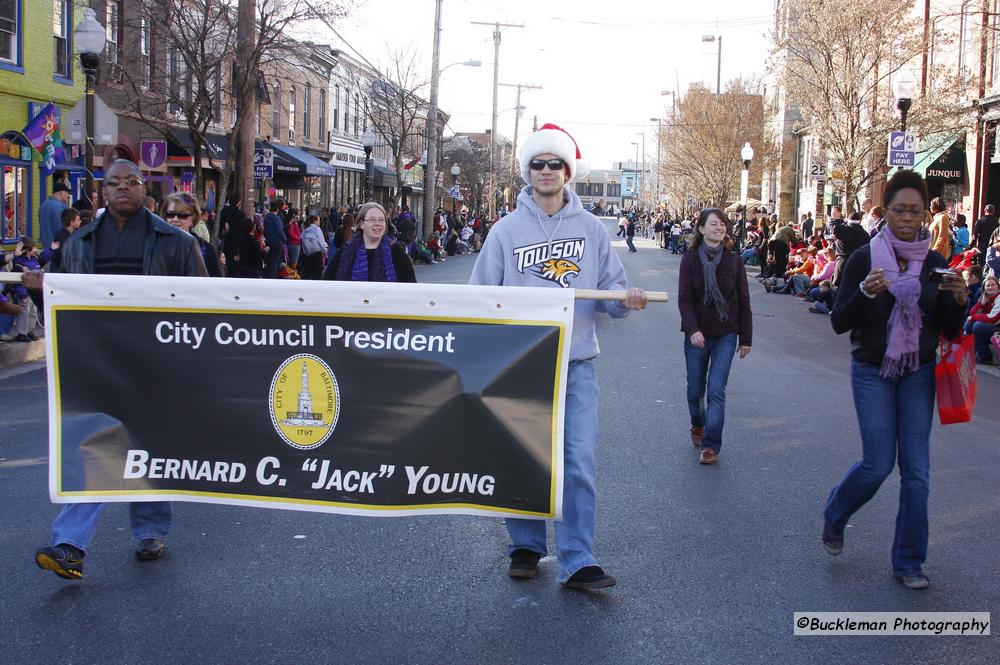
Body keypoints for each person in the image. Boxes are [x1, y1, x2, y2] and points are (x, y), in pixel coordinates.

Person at [469, 122, 648, 591]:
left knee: (578, 461)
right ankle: (526, 545)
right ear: (527, 171)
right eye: (537, 164)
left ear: (567, 171)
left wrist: (622, 300)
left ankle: (578, 558)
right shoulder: (505, 231)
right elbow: (479, 298)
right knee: (522, 458)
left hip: (576, 366)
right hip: (520, 367)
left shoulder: (591, 229)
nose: (546, 171)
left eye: (554, 163)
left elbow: (610, 291)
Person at [26, 159, 208, 581]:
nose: (122, 188)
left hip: (155, 365)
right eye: (113, 183)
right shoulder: (80, 242)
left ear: (145, 190)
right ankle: (70, 544)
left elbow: (204, 303)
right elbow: (59, 302)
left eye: (131, 182)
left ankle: (150, 531)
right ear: (101, 192)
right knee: (97, 446)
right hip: (99, 363)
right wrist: (40, 288)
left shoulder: (176, 243)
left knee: (147, 447)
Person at [823, 170, 966, 591]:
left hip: (918, 372)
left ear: (925, 214)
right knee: (878, 463)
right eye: (900, 210)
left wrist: (958, 301)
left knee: (917, 472)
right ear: (885, 211)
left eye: (915, 211)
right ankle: (835, 513)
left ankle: (908, 561)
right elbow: (837, 321)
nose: (907, 218)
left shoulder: (936, 264)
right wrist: (865, 293)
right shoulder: (864, 258)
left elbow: (950, 330)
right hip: (872, 370)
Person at [677, 208, 752, 465]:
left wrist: (746, 338)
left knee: (716, 390)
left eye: (723, 225)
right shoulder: (689, 260)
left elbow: (743, 299)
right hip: (697, 334)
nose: (719, 228)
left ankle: (710, 445)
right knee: (695, 390)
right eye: (714, 224)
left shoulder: (734, 260)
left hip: (726, 334)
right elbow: (685, 299)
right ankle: (698, 424)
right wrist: (693, 329)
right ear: (701, 229)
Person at [323, 202, 415, 282]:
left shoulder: (396, 252)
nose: (377, 223)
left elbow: (410, 287)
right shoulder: (345, 252)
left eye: (381, 220)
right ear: (361, 224)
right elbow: (327, 285)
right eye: (372, 220)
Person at [161, 193, 223, 277]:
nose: (175, 219)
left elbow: (216, 283)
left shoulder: (206, 249)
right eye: (170, 215)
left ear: (193, 217)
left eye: (182, 215)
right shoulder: (156, 244)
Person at [965, 274, 1000, 363]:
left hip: (998, 329)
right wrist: (981, 303)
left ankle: (984, 355)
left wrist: (973, 317)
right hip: (993, 326)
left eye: (993, 285)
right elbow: (972, 312)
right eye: (988, 285)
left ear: (998, 286)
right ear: (984, 288)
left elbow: (993, 318)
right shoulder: (986, 296)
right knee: (969, 324)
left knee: (978, 325)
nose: (990, 287)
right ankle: (975, 353)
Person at [38, 182, 72, 248]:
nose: (68, 195)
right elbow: (62, 228)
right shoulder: (60, 207)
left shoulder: (43, 205)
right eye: (67, 193)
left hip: (46, 246)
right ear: (60, 192)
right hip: (58, 246)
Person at [299, 214, 328, 280]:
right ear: (315, 221)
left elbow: (301, 239)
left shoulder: (305, 229)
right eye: (319, 220)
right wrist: (325, 250)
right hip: (316, 254)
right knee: (317, 274)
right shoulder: (317, 229)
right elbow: (321, 242)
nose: (319, 222)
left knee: (307, 274)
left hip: (306, 255)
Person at [263, 199, 286, 278]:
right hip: (277, 242)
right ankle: (272, 277)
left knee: (269, 261)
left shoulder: (266, 218)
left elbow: (264, 230)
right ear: (277, 209)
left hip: (268, 241)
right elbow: (280, 231)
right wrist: (284, 239)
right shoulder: (277, 219)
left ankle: (268, 276)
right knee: (275, 262)